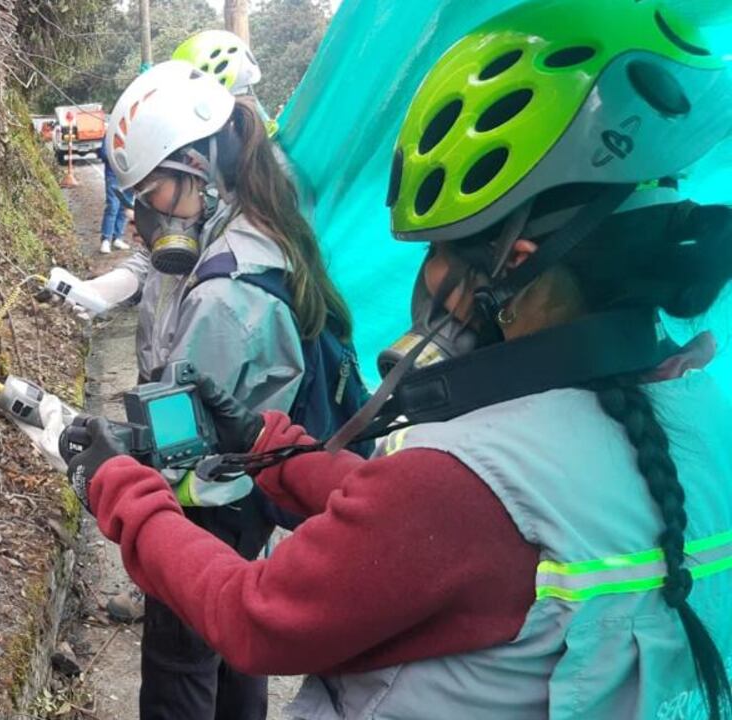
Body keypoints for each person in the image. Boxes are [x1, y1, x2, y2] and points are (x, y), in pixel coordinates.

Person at [65, 1, 732, 718]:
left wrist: (117, 488)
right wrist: (274, 447)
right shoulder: (703, 420)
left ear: (516, 262)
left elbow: (253, 615)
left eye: (441, 249)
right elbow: (412, 525)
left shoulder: (457, 481)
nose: (429, 280)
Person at [91, 60, 356, 720]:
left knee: (181, 671)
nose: (138, 220)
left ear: (199, 173)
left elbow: (179, 448)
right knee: (239, 654)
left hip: (210, 509)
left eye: (150, 195)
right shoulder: (260, 232)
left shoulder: (223, 298)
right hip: (253, 501)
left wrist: (103, 460)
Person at [98, 136, 134, 254]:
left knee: (125, 206)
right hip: (113, 174)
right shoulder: (111, 133)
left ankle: (117, 237)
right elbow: (103, 153)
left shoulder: (136, 131)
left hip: (129, 175)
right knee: (113, 205)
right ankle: (106, 239)